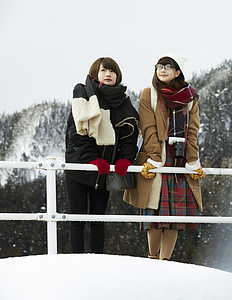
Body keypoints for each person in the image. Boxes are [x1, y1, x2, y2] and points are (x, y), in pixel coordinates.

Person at [124, 54, 204, 260]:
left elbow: (192, 130)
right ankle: (152, 256)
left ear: (178, 72)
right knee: (154, 210)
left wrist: (193, 160)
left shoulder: (191, 98)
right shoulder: (149, 94)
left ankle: (165, 260)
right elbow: (147, 128)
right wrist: (153, 157)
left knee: (174, 216)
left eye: (168, 66)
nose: (162, 69)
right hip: (156, 157)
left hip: (179, 159)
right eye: (159, 66)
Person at [65, 57, 139, 253]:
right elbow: (76, 134)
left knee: (98, 219)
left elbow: (130, 137)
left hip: (104, 170)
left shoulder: (123, 102)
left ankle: (97, 261)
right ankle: (77, 260)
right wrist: (91, 159)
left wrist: (126, 158)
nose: (108, 74)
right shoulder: (84, 98)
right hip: (79, 169)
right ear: (95, 74)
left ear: (118, 76)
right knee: (77, 219)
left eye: (112, 71)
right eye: (104, 71)